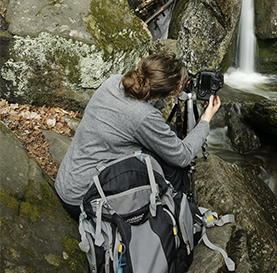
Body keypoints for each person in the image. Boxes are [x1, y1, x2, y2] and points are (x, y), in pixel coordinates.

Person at [55, 52, 221, 221]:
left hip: (67, 182)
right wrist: (205, 120)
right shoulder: (144, 116)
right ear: (172, 91)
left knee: (168, 130)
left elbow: (143, 112)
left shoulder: (114, 81)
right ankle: (176, 210)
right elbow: (183, 156)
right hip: (84, 200)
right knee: (173, 165)